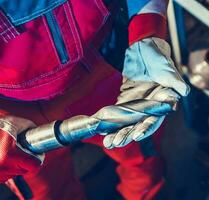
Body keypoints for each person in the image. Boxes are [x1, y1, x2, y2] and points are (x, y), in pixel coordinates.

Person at [0, 0, 189, 199]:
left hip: (109, 67)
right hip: (11, 115)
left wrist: (146, 30)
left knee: (141, 156)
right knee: (46, 191)